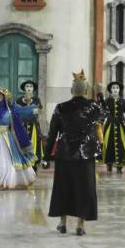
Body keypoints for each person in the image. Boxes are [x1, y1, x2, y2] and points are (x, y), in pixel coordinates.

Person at [46, 71, 104, 236]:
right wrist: (99, 93)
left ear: (71, 91)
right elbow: (106, 112)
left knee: (63, 188)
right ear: (86, 91)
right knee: (84, 189)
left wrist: (46, 157)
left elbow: (52, 134)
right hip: (85, 155)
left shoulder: (61, 107)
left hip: (64, 154)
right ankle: (80, 225)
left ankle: (62, 223)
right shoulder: (94, 107)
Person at [100, 81, 125, 174]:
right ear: (110, 90)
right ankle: (109, 165)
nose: (115, 89)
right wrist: (100, 125)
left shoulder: (124, 102)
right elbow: (103, 114)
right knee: (109, 145)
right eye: (113, 88)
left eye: (117, 88)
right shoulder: (107, 101)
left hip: (121, 126)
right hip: (109, 126)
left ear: (119, 90)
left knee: (122, 145)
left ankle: (120, 166)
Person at [16, 81, 45, 172]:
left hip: (33, 127)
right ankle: (23, 164)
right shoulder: (18, 100)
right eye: (27, 86)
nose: (29, 88)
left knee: (34, 145)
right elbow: (17, 113)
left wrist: (27, 110)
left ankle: (33, 165)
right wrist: (29, 110)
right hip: (22, 127)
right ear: (24, 89)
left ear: (33, 89)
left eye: (31, 86)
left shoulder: (36, 100)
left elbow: (39, 112)